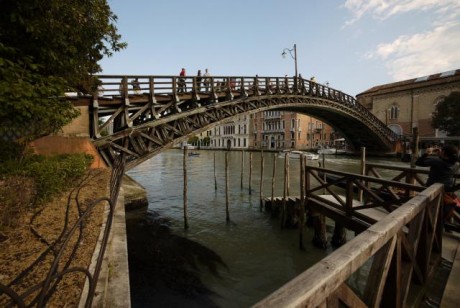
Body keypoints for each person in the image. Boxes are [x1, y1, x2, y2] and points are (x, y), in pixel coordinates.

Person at [415, 144, 459, 222]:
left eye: (441, 150)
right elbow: (445, 162)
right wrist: (441, 155)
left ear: (444, 153)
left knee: (425, 214)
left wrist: (427, 153)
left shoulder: (437, 161)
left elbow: (418, 162)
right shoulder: (456, 164)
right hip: (447, 191)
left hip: (431, 191)